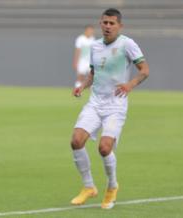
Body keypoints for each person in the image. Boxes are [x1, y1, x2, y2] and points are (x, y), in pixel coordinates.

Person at [70, 8, 149, 209]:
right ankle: (89, 187)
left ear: (119, 26)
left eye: (112, 23)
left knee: (104, 148)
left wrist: (129, 85)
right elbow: (94, 73)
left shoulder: (127, 44)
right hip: (95, 102)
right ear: (100, 24)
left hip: (116, 104)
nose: (107, 26)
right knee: (76, 141)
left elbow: (145, 70)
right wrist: (82, 86)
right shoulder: (95, 47)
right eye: (105, 22)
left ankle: (112, 186)